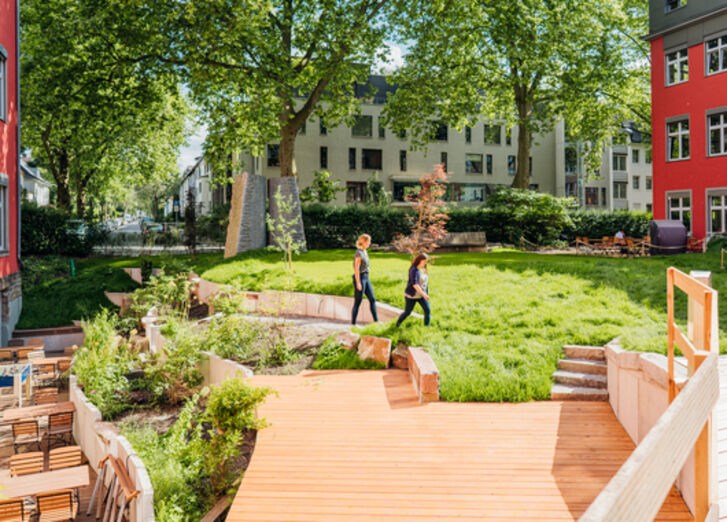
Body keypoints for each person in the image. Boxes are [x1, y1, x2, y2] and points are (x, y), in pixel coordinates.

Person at [396, 253, 431, 327]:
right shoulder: (414, 270)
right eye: (424, 261)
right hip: (412, 296)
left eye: (426, 261)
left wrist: (425, 293)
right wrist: (424, 294)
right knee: (407, 312)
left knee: (427, 311)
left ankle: (426, 327)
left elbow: (425, 282)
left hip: (421, 296)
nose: (425, 263)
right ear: (419, 260)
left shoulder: (423, 269)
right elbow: (414, 284)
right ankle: (397, 324)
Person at [352, 234, 378, 325]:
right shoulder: (358, 253)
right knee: (358, 301)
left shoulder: (364, 251)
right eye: (368, 242)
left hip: (366, 278)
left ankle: (376, 322)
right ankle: (353, 324)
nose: (369, 243)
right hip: (360, 278)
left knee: (372, 299)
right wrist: (358, 282)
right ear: (364, 242)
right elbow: (356, 268)